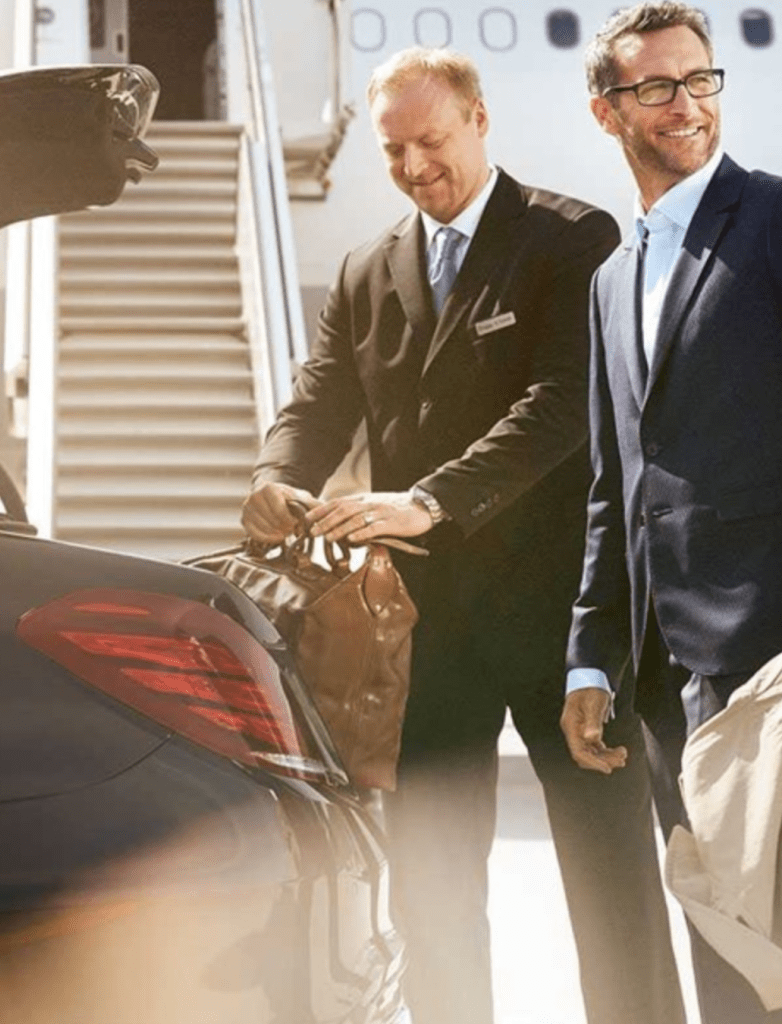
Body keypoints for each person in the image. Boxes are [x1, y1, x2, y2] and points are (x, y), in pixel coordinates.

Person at [244, 46, 683, 1024]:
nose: (414, 167)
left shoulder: (572, 239)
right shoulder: (367, 269)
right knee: (433, 886)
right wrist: (277, 477)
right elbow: (319, 400)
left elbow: (565, 401)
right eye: (393, 150)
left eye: (431, 141)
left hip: (567, 622)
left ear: (479, 120)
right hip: (426, 633)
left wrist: (430, 501)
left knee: (611, 886)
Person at [562, 4, 782, 1022]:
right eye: (656, 86)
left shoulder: (772, 220)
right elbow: (616, 484)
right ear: (606, 110)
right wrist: (591, 656)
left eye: (700, 80)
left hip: (767, 665)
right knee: (720, 945)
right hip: (663, 679)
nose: (687, 104)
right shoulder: (612, 279)